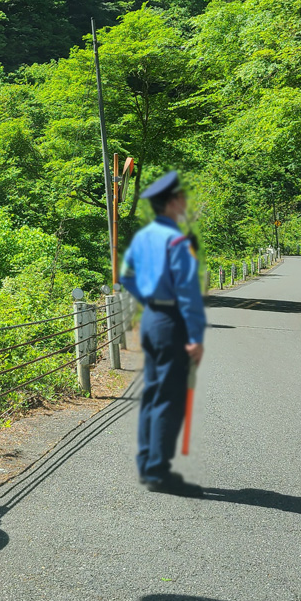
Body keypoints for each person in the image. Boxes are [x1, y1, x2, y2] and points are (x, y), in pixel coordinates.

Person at [120, 170, 205, 496]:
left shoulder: (143, 238)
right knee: (169, 397)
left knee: (153, 392)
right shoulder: (177, 241)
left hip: (152, 318)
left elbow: (126, 276)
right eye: (182, 197)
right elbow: (188, 294)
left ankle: (148, 463)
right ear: (171, 203)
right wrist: (195, 336)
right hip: (172, 320)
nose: (185, 201)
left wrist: (148, 299)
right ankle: (158, 471)